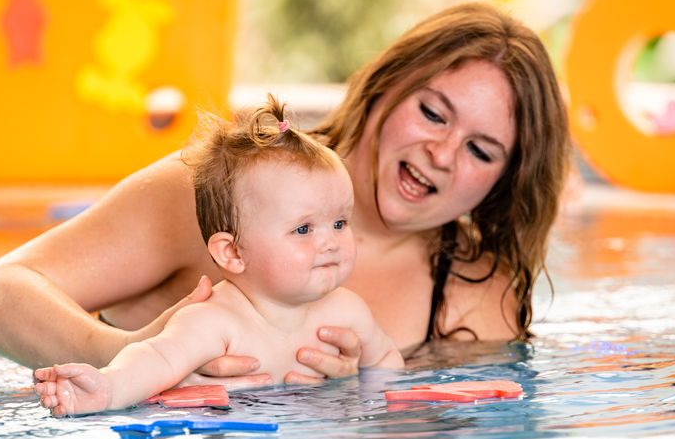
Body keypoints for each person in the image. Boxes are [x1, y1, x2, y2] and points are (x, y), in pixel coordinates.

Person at [0, 2, 570, 386]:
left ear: (502, 182)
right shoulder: (217, 191)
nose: (443, 152)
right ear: (386, 86)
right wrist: (138, 358)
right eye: (434, 113)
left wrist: (363, 394)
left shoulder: (475, 295)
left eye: (481, 150)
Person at [33, 98, 404, 417]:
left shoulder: (347, 312)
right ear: (233, 252)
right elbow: (153, 359)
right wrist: (108, 389)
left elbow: (387, 364)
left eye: (340, 222)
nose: (331, 242)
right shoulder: (216, 320)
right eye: (304, 229)